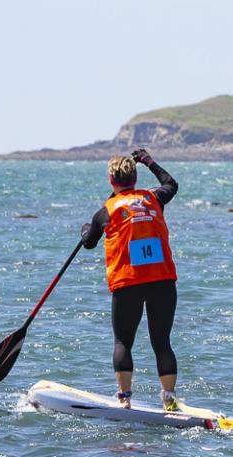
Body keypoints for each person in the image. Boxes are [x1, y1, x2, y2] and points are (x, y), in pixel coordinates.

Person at [79, 148, 184, 411]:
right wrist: (149, 161)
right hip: (163, 281)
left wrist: (85, 230)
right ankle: (169, 399)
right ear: (135, 177)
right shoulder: (153, 198)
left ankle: (124, 400)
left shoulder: (107, 210)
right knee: (162, 343)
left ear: (111, 181)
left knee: (123, 342)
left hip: (128, 283)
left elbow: (89, 243)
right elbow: (171, 183)